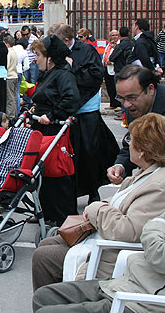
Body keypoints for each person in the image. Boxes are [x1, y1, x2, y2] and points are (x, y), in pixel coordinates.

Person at [33, 133, 165, 313]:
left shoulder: (163, 182)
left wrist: (159, 226)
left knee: (45, 258)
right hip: (137, 279)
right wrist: (163, 229)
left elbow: (149, 242)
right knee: (44, 295)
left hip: (146, 295)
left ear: (143, 151)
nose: (127, 145)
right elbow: (158, 221)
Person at [49, 22, 119, 204]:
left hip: (86, 110)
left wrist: (71, 74)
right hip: (66, 110)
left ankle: (93, 190)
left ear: (66, 40)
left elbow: (96, 76)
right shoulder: (58, 51)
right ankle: (69, 192)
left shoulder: (86, 50)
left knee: (90, 152)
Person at [28, 34, 81, 225]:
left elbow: (72, 99)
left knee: (56, 173)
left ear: (49, 57)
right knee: (43, 172)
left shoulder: (63, 74)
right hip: (42, 127)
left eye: (38, 56)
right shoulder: (48, 73)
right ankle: (46, 212)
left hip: (54, 130)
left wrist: (51, 115)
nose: (36, 59)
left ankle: (61, 216)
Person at [102, 29, 120, 110]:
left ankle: (118, 104)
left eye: (116, 35)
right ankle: (112, 103)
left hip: (113, 68)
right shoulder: (108, 45)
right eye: (113, 35)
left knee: (115, 87)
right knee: (109, 87)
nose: (115, 37)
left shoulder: (119, 45)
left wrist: (111, 62)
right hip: (106, 68)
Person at [4, 34, 19, 118]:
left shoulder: (8, 52)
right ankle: (15, 113)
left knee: (10, 98)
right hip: (15, 75)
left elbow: (7, 64)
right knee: (14, 97)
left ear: (7, 44)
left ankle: (11, 116)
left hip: (9, 76)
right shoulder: (14, 52)